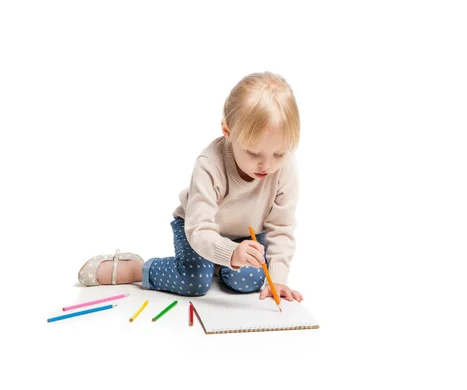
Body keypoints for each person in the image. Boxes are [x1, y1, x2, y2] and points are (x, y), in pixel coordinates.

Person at [77, 71, 303, 302]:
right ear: (227, 132)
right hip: (196, 228)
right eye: (254, 153)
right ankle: (137, 268)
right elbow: (199, 230)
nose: (267, 164)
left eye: (279, 153)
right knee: (193, 282)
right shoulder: (210, 164)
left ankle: (216, 264)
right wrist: (231, 253)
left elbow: (281, 228)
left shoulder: (285, 169)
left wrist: (278, 280)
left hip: (245, 237)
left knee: (250, 281)